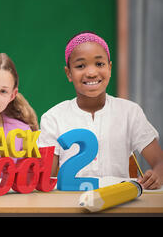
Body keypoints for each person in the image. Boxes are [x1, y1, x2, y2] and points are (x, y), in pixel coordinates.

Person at [38, 31, 163, 189]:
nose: (91, 73)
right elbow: (46, 177)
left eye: (99, 64)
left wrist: (157, 174)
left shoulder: (130, 112)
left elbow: (159, 162)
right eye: (80, 66)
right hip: (69, 204)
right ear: (69, 73)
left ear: (109, 68)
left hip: (119, 202)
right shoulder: (53, 117)